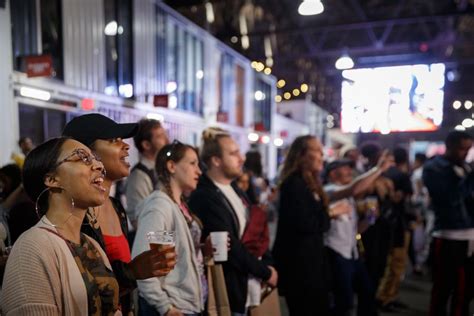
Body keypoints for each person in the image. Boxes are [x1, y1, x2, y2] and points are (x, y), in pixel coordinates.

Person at [63, 113, 176, 313]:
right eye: (114, 140)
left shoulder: (116, 207)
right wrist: (133, 271)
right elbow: (80, 283)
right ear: (86, 153)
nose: (126, 146)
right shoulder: (76, 211)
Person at [272, 135, 393, 316]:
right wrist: (331, 213)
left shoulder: (309, 184)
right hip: (302, 265)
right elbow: (305, 222)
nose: (322, 155)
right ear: (302, 155)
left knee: (353, 297)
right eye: (317, 150)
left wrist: (367, 220)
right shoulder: (295, 184)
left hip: (317, 261)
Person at [1, 137, 121, 314]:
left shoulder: (91, 244)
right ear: (51, 179)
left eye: (96, 159)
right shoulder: (32, 247)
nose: (99, 166)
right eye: (83, 158)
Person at [188, 127, 277, 315]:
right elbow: (230, 246)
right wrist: (265, 272)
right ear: (216, 160)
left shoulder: (236, 190)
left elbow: (256, 231)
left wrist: (268, 263)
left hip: (248, 284)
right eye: (234, 153)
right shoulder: (205, 195)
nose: (242, 158)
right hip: (228, 289)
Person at [132, 140, 206, 316]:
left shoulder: (178, 205)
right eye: (192, 163)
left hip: (186, 305)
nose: (199, 171)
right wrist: (165, 307)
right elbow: (145, 263)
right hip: (173, 308)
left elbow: (174, 253)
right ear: (172, 166)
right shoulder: (160, 207)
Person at [423, 130, 474, 316]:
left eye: (469, 149)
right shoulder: (434, 168)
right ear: (449, 146)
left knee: (466, 291)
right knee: (443, 288)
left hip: (469, 235)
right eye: (462, 149)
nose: (466, 154)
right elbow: (450, 198)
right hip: (448, 235)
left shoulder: (466, 167)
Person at [324, 159, 378, 316]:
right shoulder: (329, 190)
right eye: (346, 169)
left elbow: (355, 231)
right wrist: (379, 168)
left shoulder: (348, 197)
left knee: (367, 291)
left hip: (351, 253)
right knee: (344, 300)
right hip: (336, 252)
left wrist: (370, 219)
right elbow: (354, 188)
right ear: (333, 173)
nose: (350, 172)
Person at [376, 147, 413, 311]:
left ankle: (387, 295)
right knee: (397, 262)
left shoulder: (378, 174)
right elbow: (405, 199)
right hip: (397, 224)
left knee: (387, 262)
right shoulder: (401, 176)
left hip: (381, 223)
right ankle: (386, 297)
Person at [126, 118, 169, 230]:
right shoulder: (139, 176)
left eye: (165, 135)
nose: (167, 140)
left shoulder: (161, 170)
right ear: (146, 145)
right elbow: (138, 218)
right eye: (160, 137)